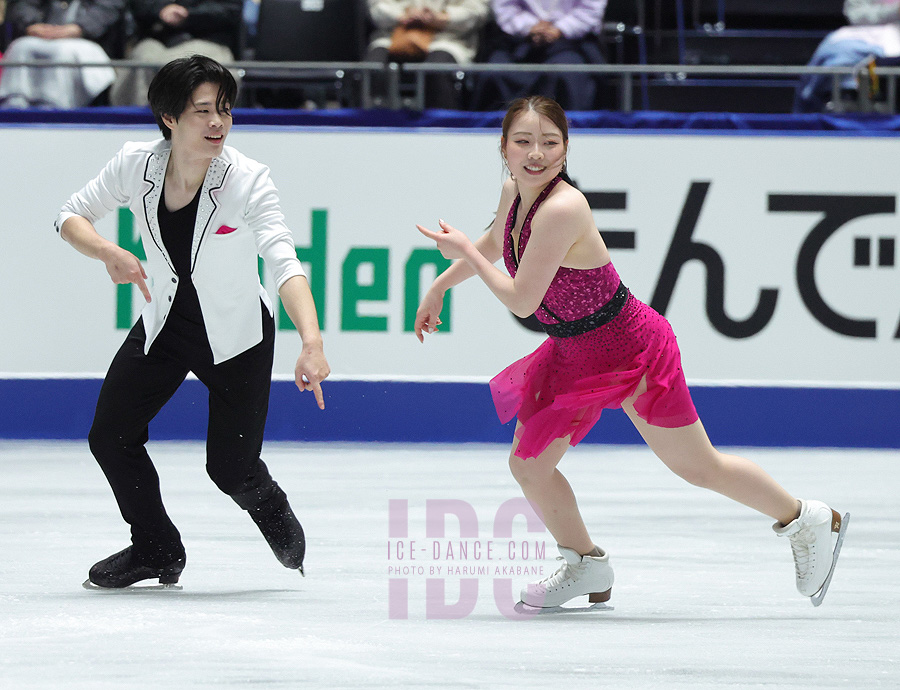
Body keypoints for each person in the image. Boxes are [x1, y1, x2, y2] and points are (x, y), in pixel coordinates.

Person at [414, 96, 848, 609]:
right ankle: (585, 564)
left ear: (567, 148)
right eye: (523, 142)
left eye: (550, 143)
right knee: (530, 465)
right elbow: (494, 240)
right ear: (503, 147)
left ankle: (806, 518)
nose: (536, 154)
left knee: (697, 467)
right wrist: (442, 283)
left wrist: (462, 251)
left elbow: (523, 301)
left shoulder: (563, 206)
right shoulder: (515, 189)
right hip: (573, 352)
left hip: (630, 348)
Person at [56, 55, 330, 589]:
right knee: (110, 436)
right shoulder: (136, 165)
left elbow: (283, 262)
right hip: (164, 324)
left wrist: (312, 341)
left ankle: (269, 504)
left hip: (237, 336)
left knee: (229, 469)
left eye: (224, 110)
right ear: (169, 118)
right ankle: (156, 549)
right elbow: (69, 215)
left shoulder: (247, 180)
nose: (217, 123)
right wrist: (107, 252)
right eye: (202, 110)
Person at [471, 0, 606, 111]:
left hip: (572, 41)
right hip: (519, 39)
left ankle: (567, 131)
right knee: (495, 72)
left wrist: (559, 29)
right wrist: (529, 26)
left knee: (565, 72)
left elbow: (590, 10)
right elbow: (505, 7)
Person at [110, 0, 240, 106]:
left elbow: (229, 10)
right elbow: (139, 6)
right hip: (155, 37)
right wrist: (161, 10)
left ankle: (184, 125)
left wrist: (189, 14)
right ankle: (140, 124)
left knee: (176, 62)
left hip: (206, 37)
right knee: (145, 57)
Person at [365, 0, 490, 109]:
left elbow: (476, 11)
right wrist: (401, 15)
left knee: (436, 70)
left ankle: (443, 129)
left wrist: (442, 18)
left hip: (447, 38)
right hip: (393, 36)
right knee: (373, 68)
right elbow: (376, 6)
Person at [0, 0, 123, 109]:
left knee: (63, 52)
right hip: (42, 34)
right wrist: (32, 25)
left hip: (87, 39)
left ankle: (55, 106)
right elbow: (23, 6)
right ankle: (14, 103)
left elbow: (107, 9)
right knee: (21, 47)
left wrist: (79, 28)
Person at [795, 0, 900, 112]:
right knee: (838, 52)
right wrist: (896, 10)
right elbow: (856, 14)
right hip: (865, 32)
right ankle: (846, 96)